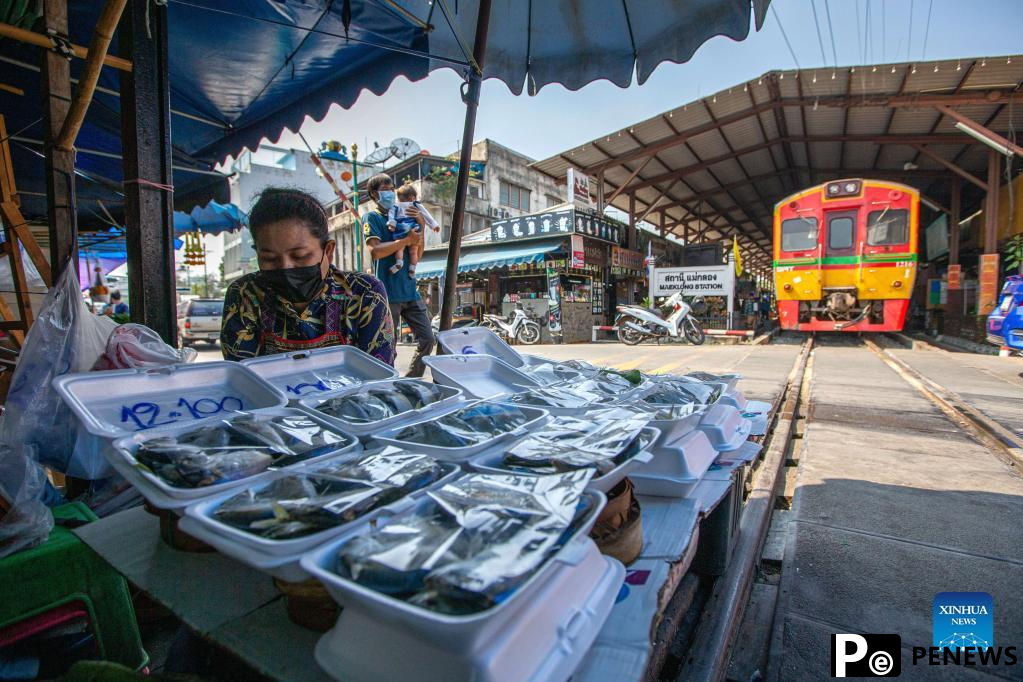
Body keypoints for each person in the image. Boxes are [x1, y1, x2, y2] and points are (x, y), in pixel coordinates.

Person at [220, 187, 395, 365]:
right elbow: (242, 378)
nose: (285, 267)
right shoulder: (244, 295)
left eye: (300, 256)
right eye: (269, 258)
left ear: (328, 251)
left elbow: (379, 377)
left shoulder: (364, 293)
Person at [364, 173, 435, 377]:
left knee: (428, 338)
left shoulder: (405, 214)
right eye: (385, 189)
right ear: (374, 193)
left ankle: (412, 379)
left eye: (391, 189)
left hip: (410, 291)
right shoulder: (373, 218)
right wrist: (404, 241)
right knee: (388, 346)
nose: (390, 193)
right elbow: (375, 250)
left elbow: (418, 255)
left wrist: (421, 225)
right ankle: (389, 386)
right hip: (388, 293)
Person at [386, 182, 440, 277]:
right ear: (413, 197)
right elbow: (426, 215)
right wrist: (434, 225)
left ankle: (399, 262)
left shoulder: (396, 206)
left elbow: (391, 216)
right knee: (413, 251)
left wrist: (392, 224)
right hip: (415, 229)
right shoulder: (416, 205)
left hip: (402, 229)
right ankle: (412, 268)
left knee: (399, 248)